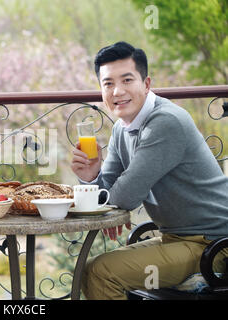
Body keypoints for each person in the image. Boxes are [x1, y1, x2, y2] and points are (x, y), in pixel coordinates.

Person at [71, 41, 228, 300]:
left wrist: (110, 199)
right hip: (175, 238)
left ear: (146, 84)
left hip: (213, 244)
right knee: (89, 271)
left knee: (102, 272)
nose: (117, 91)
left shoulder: (166, 122)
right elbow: (107, 190)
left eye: (127, 80)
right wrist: (91, 176)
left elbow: (124, 196)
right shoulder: (121, 129)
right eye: (108, 83)